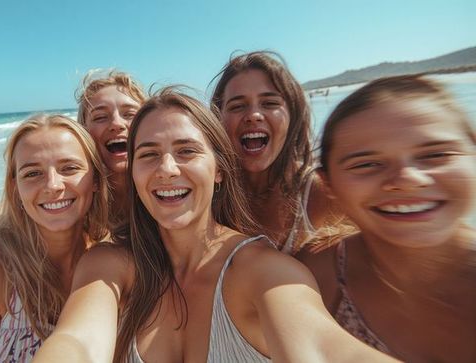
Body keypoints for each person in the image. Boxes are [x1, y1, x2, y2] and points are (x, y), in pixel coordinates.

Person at [33, 89, 397, 363]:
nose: (167, 169)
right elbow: (76, 342)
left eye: (187, 151)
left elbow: (323, 348)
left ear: (220, 168)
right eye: (148, 154)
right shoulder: (109, 265)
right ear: (134, 173)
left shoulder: (262, 271)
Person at [300, 75, 476, 362]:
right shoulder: (316, 275)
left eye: (435, 155)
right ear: (327, 184)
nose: (408, 179)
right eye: (367, 164)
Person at [0, 71, 145, 318]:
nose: (116, 123)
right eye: (100, 116)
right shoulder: (80, 196)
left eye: (130, 114)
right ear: (83, 134)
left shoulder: (158, 192)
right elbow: (24, 200)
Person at [0, 114, 109, 362]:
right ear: (15, 188)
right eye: (32, 173)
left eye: (69, 168)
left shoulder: (113, 262)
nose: (52, 185)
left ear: (95, 179)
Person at [210, 50, 342, 255]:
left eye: (270, 103)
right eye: (237, 106)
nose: (253, 115)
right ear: (218, 121)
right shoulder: (211, 196)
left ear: (292, 115)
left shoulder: (322, 193)